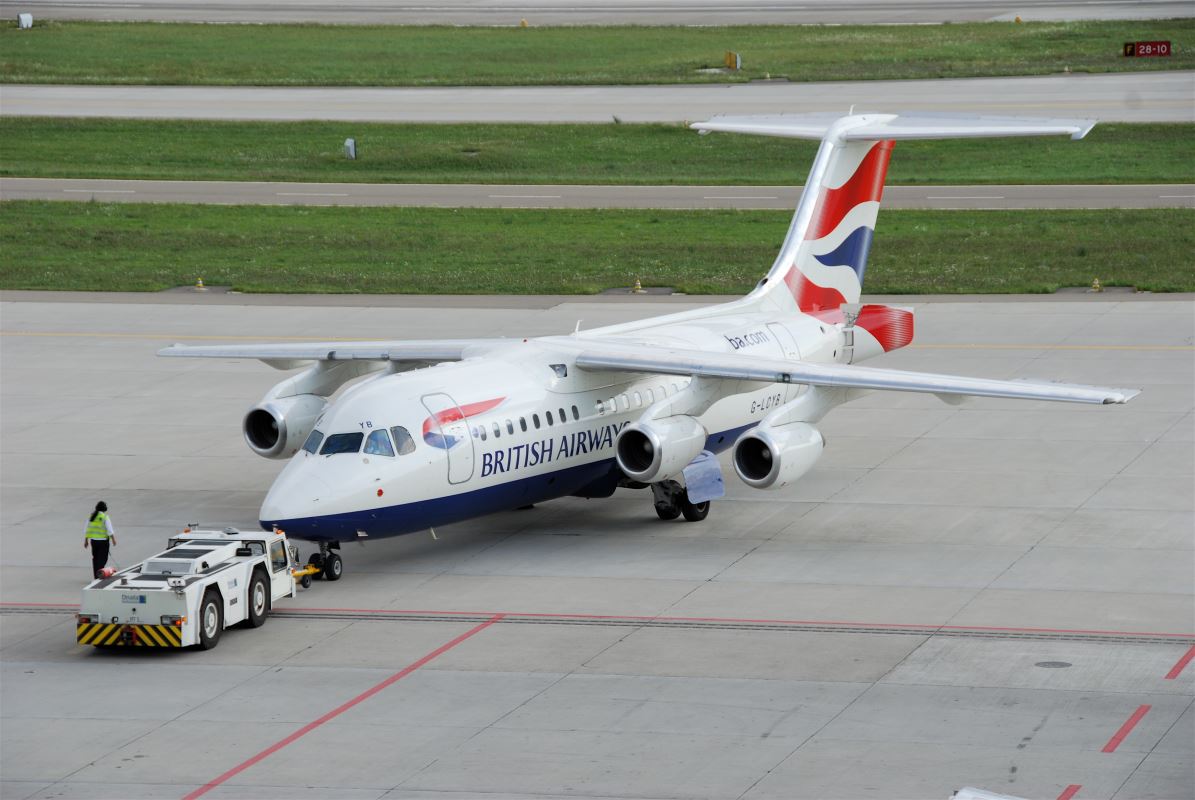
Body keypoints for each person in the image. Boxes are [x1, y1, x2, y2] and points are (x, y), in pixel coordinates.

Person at [83, 501, 117, 578]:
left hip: (94, 541)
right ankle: (100, 575)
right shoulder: (105, 517)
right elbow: (109, 530)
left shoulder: (92, 516)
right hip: (103, 541)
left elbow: (87, 529)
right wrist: (113, 540)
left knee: (95, 558)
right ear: (105, 509)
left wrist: (86, 541)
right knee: (102, 559)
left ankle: (96, 576)